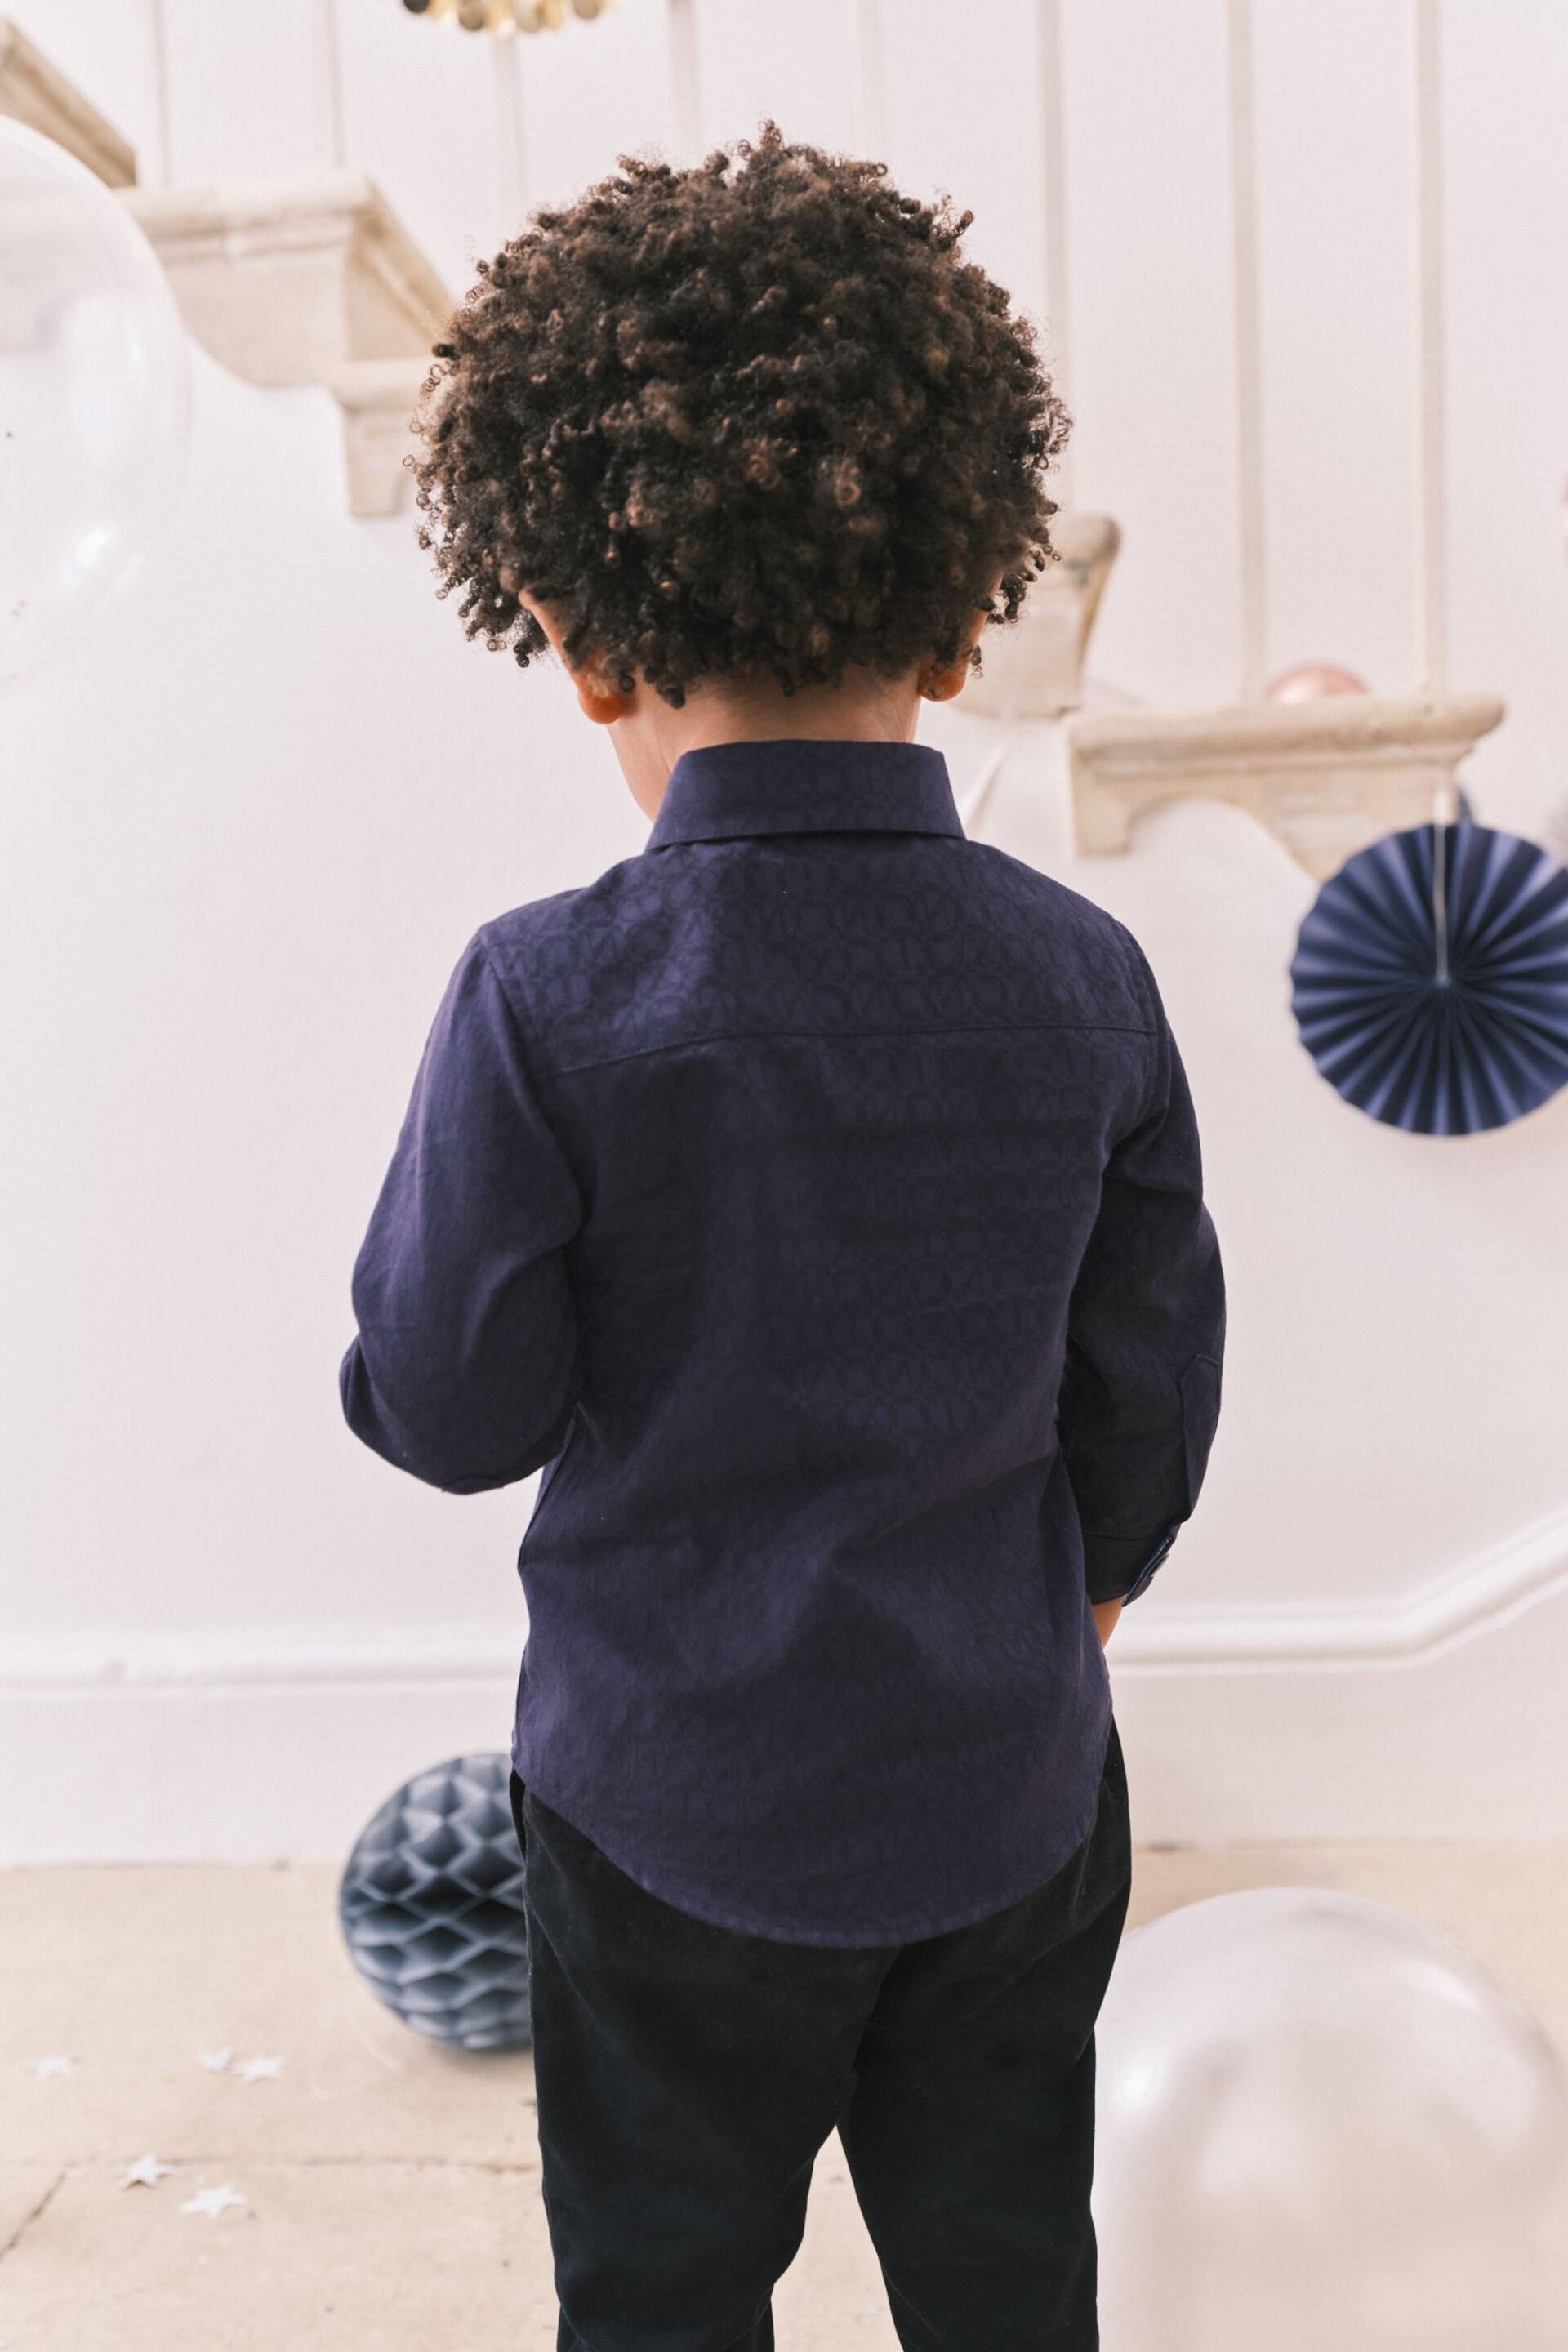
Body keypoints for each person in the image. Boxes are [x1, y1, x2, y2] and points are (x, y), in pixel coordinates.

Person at [339, 123, 1226, 2352]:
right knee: (1012, 2281)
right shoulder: (1084, 978)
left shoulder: (547, 994)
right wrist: (1076, 1596)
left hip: (669, 1814)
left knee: (659, 2291)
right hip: (1005, 1790)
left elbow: (449, 1410)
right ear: (961, 610)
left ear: (577, 643)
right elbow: (1153, 1389)